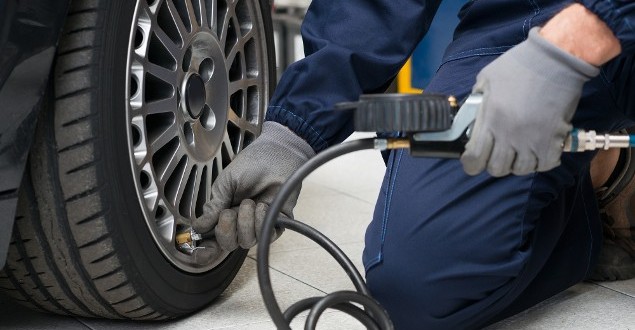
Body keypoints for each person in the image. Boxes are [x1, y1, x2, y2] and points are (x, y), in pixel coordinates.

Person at [193, 1, 635, 328]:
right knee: (417, 282)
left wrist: (590, 30)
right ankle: (601, 171)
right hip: (525, 23)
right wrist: (292, 135)